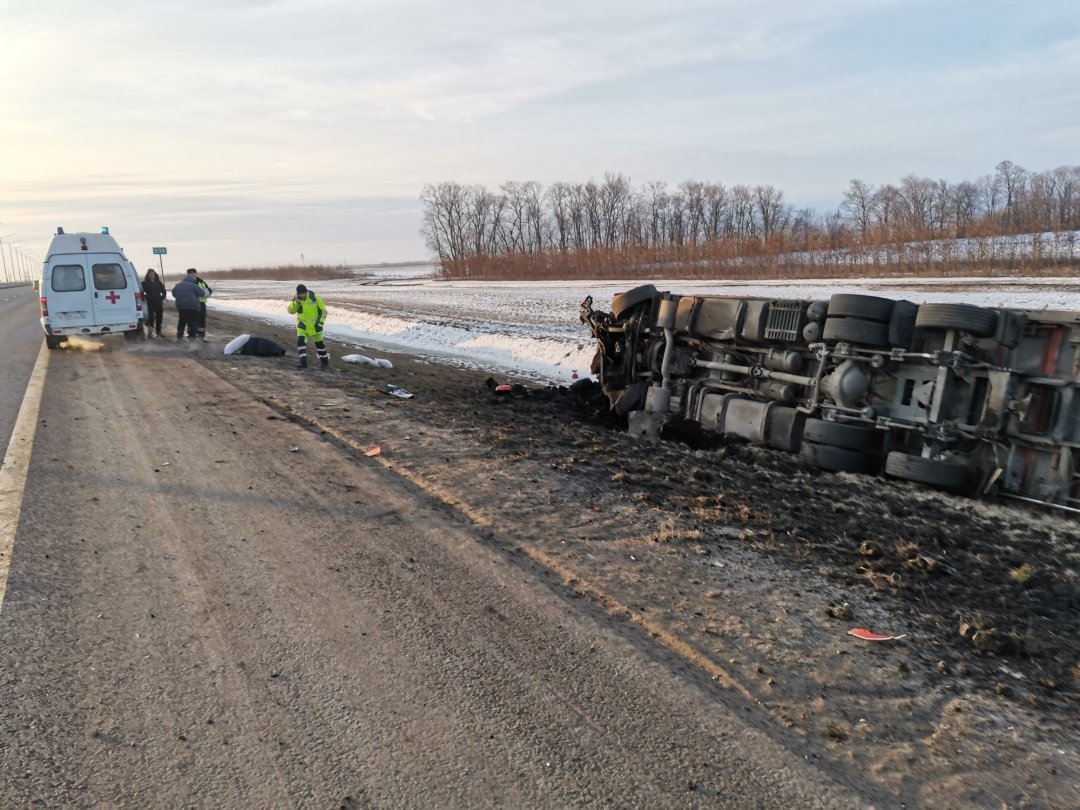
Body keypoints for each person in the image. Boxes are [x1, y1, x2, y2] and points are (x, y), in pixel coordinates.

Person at [287, 284, 329, 368]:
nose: (302, 295)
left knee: (320, 345)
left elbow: (324, 312)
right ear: (298, 294)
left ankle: (325, 363)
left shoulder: (315, 298)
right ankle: (303, 363)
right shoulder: (297, 300)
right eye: (300, 294)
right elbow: (290, 311)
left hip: (316, 326)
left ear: (306, 292)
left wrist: (320, 323)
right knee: (301, 343)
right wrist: (296, 303)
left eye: (303, 293)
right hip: (302, 326)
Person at [171, 269, 204, 341]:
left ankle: (179, 336)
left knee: (182, 321)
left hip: (181, 307)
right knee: (193, 322)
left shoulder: (178, 285)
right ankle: (192, 338)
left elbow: (173, 294)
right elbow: (202, 293)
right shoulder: (193, 285)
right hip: (193, 307)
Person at [141, 268, 166, 337]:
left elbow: (163, 291)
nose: (152, 275)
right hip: (150, 303)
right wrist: (144, 298)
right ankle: (150, 332)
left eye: (153, 274)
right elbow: (141, 292)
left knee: (159, 318)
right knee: (151, 318)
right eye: (150, 274)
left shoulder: (158, 282)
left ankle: (158, 332)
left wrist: (162, 297)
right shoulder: (144, 283)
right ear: (148, 275)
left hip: (158, 302)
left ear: (155, 274)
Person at [190, 268, 213, 341]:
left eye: (194, 273)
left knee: (202, 321)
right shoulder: (188, 282)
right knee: (192, 321)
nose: (193, 275)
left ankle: (202, 336)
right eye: (191, 274)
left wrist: (205, 293)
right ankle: (192, 336)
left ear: (196, 273)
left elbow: (209, 290)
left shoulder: (201, 282)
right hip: (193, 304)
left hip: (202, 304)